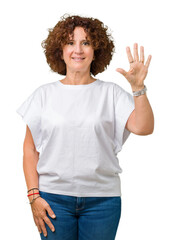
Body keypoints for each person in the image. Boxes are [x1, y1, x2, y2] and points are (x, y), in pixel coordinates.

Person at [16, 14, 154, 240]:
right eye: (70, 42)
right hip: (53, 200)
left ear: (96, 50)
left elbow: (144, 127)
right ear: (60, 50)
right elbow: (30, 150)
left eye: (86, 42)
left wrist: (138, 88)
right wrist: (33, 196)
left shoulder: (111, 93)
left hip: (103, 202)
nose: (78, 50)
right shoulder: (43, 95)